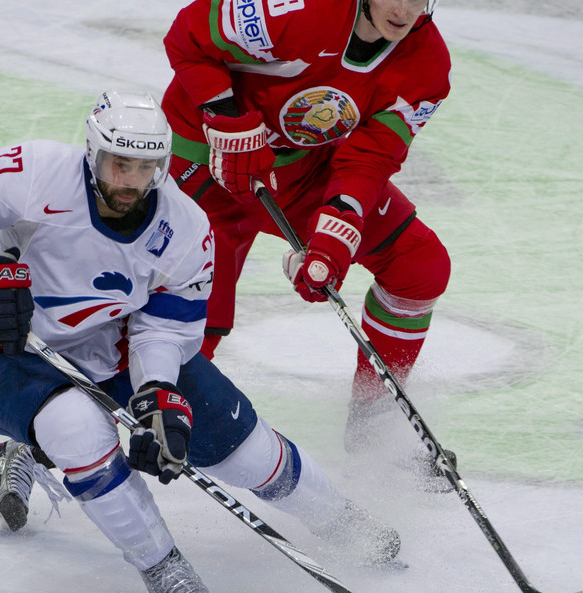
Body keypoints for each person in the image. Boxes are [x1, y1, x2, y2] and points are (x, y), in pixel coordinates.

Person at [0, 90, 401, 593]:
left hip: (119, 342)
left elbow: (167, 325)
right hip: (16, 344)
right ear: (92, 153)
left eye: (145, 167)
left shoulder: (183, 226)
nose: (130, 181)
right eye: (119, 163)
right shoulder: (34, 171)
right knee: (77, 428)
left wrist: (158, 391)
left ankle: (340, 519)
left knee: (243, 454)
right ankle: (161, 564)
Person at [160, 0, 454, 476]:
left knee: (418, 264)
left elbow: (369, 161)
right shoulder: (301, 9)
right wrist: (228, 119)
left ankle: (373, 432)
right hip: (205, 162)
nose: (403, 9)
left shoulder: (425, 63)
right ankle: (43, 444)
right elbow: (188, 36)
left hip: (298, 169)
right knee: (180, 338)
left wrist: (335, 238)